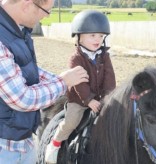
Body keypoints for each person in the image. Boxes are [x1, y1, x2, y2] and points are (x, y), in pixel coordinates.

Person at [0, 0, 89, 163]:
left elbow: (27, 71)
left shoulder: (15, 29)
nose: (46, 16)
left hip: (21, 140)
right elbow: (21, 98)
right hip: (5, 148)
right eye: (46, 11)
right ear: (26, 5)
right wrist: (63, 82)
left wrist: (66, 80)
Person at [45, 10, 116, 163]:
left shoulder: (104, 56)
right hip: (79, 100)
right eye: (92, 35)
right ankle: (56, 143)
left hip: (100, 99)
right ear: (79, 36)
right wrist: (89, 100)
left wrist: (108, 97)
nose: (98, 39)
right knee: (72, 120)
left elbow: (110, 78)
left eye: (101, 36)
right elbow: (79, 83)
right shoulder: (76, 58)